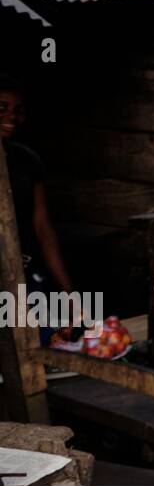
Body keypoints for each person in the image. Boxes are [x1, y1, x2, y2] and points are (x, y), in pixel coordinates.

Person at [0, 76, 74, 340]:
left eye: (18, 110)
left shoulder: (27, 161)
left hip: (22, 268)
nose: (11, 116)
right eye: (2, 107)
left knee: (48, 333)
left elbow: (43, 229)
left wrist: (68, 292)